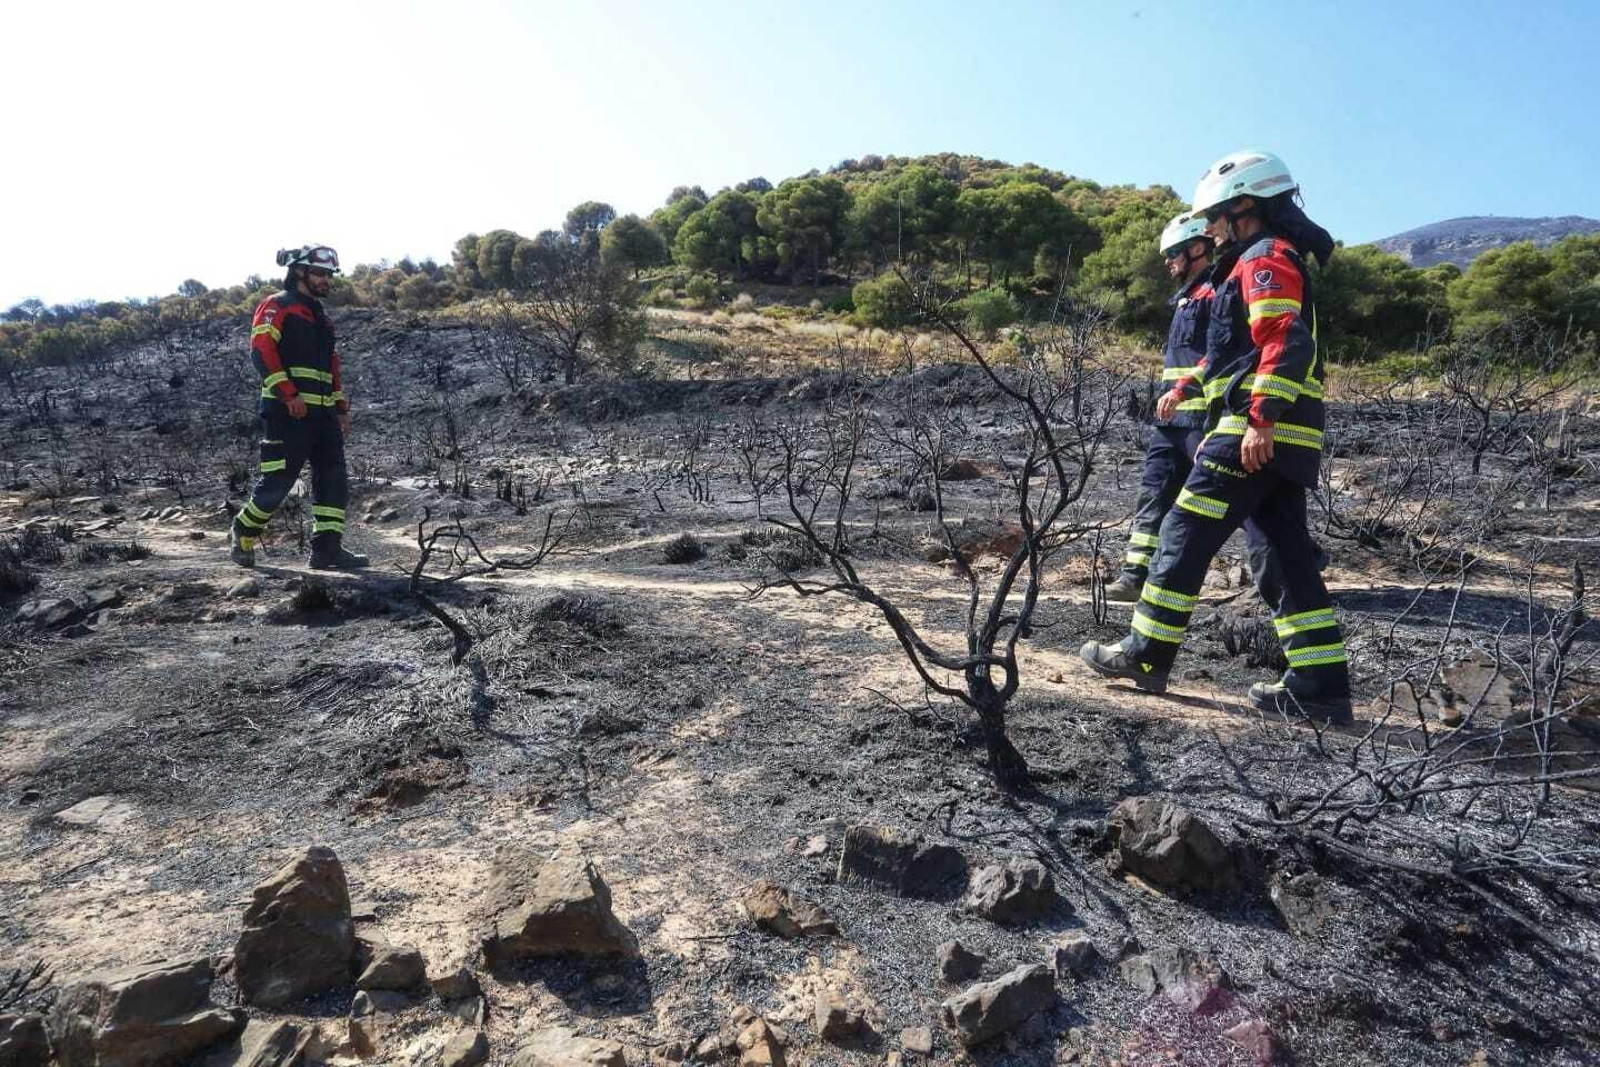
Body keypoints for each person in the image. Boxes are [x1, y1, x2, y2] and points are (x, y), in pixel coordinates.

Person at [1079, 150, 1350, 720]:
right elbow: (1236, 351)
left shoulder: (1264, 257)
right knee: (1283, 555)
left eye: (1219, 214)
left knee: (1183, 528)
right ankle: (1322, 684)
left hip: (1262, 426)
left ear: (1245, 205)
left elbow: (1284, 340)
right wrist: (1193, 387)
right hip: (1290, 432)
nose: (1213, 227)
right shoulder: (1266, 257)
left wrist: (1259, 419)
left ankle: (1146, 653)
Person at [230, 245, 368, 571]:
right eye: (319, 273)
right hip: (287, 413)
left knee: (333, 482)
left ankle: (327, 551)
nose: (325, 280)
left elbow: (331, 367)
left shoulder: (323, 319)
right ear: (300, 272)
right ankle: (243, 530)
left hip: (323, 417)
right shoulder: (277, 305)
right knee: (279, 482)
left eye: (329, 275)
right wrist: (288, 395)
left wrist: (341, 409)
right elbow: (261, 350)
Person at [1103, 211, 1217, 602]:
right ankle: (1135, 576)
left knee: (1237, 502)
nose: (1168, 262)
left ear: (1197, 248)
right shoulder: (1186, 299)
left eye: (1174, 253)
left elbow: (1221, 352)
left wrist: (1183, 390)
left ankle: (1300, 564)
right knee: (1153, 493)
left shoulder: (1218, 293)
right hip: (1171, 424)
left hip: (1205, 420)